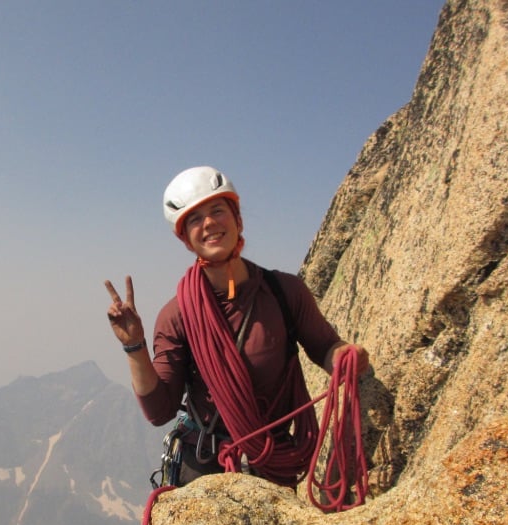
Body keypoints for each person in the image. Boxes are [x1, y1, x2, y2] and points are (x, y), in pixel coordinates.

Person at [105, 166, 368, 488]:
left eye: (218, 210)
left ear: (238, 220)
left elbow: (325, 347)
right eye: (195, 219)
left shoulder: (285, 292)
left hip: (273, 461)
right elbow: (160, 411)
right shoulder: (177, 315)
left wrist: (345, 357)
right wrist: (134, 346)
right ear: (186, 239)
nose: (210, 223)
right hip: (206, 467)